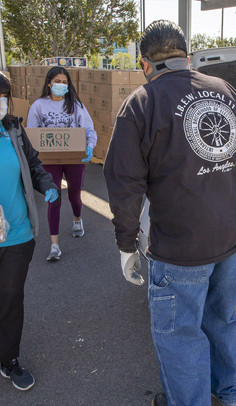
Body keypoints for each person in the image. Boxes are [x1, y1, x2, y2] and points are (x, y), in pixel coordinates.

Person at [104, 20, 236, 406]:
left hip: (181, 248)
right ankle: (230, 396)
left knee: (179, 335)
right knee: (222, 319)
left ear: (145, 64)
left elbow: (123, 183)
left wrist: (127, 245)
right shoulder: (226, 91)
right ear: (186, 58)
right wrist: (228, 202)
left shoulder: (141, 104)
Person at [0, 72, 59, 390]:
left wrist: (47, 184)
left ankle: (8, 360)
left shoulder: (13, 128)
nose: (0, 102)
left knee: (10, 298)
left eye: (3, 96)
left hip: (18, 234)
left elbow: (34, 165)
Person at [27, 67, 97, 261]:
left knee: (74, 196)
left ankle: (77, 219)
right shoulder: (39, 106)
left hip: (74, 159)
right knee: (53, 199)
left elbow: (90, 130)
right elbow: (31, 135)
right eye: (57, 81)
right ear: (49, 83)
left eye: (65, 82)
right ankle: (54, 245)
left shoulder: (75, 105)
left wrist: (89, 147)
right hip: (50, 161)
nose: (61, 85)